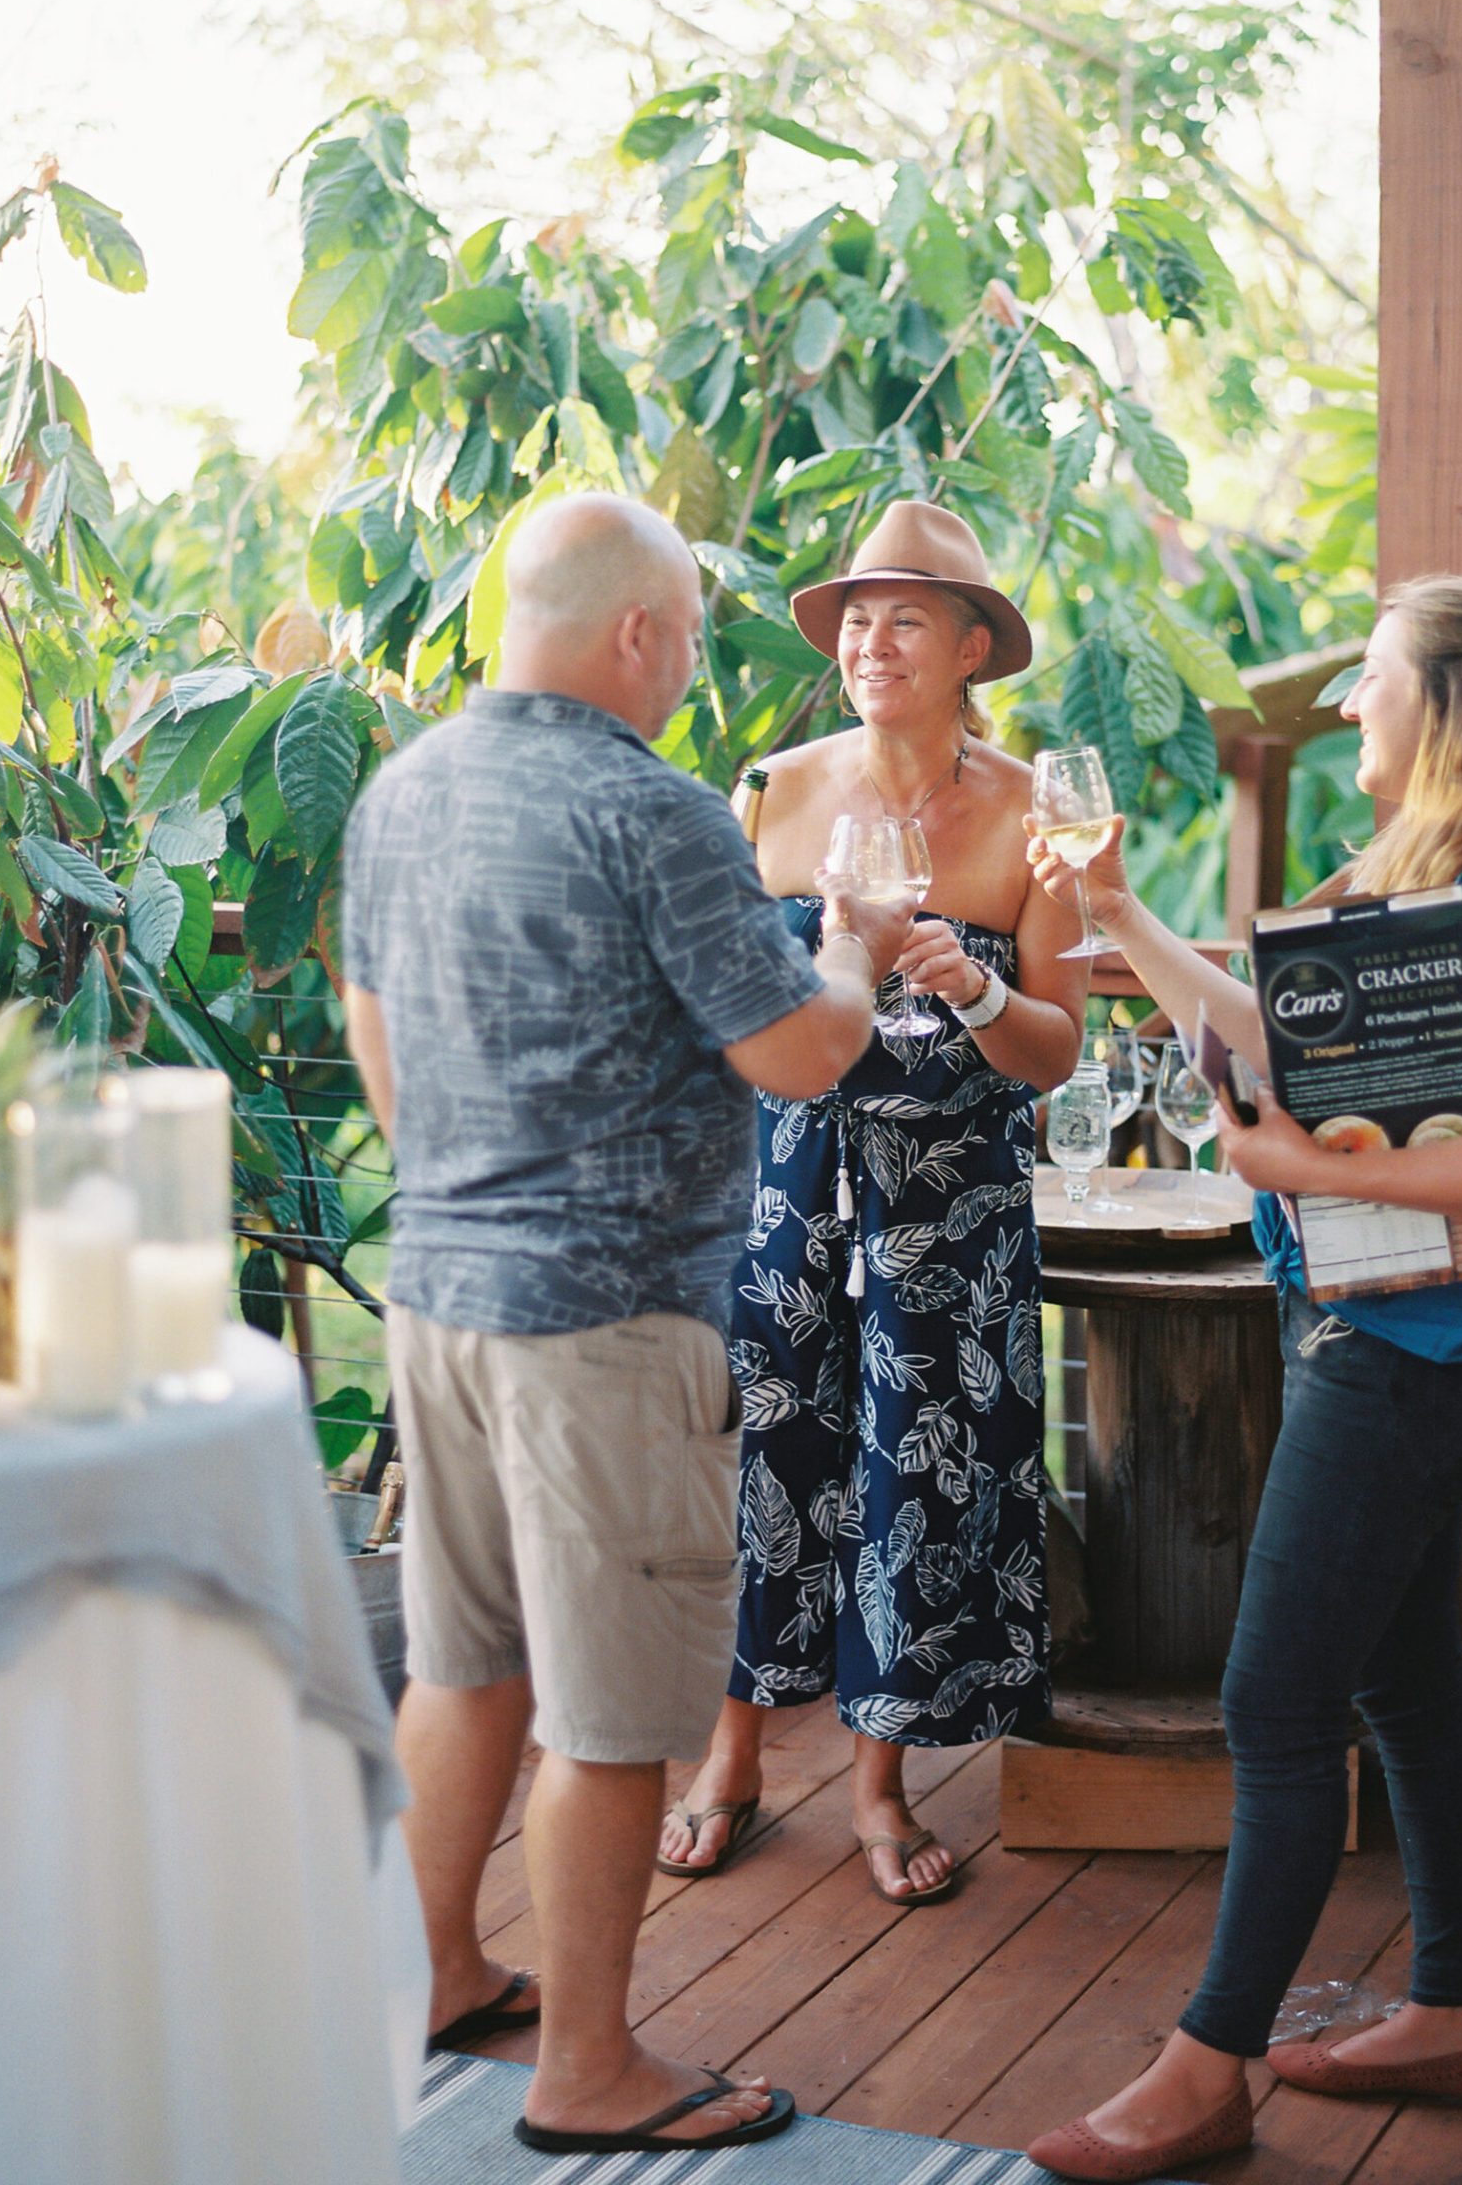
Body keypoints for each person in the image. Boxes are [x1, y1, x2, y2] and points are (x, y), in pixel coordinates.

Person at [340, 492, 914, 2159]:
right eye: (689, 640)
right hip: (606, 1329)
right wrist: (856, 955)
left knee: (464, 1666)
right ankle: (587, 2072)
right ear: (640, 635)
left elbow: (373, 1044)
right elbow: (800, 1055)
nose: (688, 671)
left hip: (440, 1299)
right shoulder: (651, 811)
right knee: (610, 1716)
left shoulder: (400, 788)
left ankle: (435, 1971)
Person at [1023, 573, 1462, 2181]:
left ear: (1447, 707)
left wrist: (1289, 1165)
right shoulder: (1414, 878)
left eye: (1369, 679)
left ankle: (1208, 2067)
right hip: (1365, 1332)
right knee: (1399, 1684)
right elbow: (1275, 1047)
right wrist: (1124, 916)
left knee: (1271, 1701)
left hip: (1416, 1359)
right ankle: (1454, 2015)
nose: (1346, 706)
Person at [657, 501, 1085, 1905]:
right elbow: (722, 1011)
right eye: (855, 613)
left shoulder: (1036, 815)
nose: (868, 637)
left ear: (973, 647)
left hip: (949, 1207)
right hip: (782, 1192)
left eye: (906, 614)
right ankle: (731, 1756)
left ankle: (881, 1783)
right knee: (764, 1469)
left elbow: (1059, 1052)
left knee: (914, 1477)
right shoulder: (772, 789)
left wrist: (977, 988)